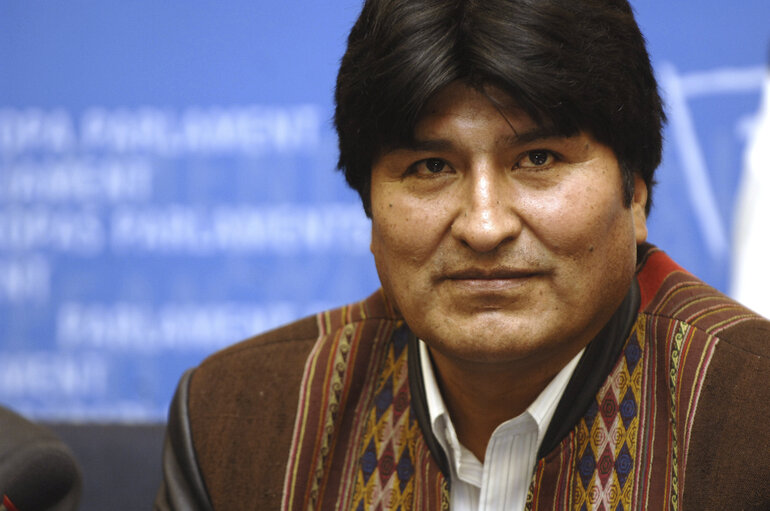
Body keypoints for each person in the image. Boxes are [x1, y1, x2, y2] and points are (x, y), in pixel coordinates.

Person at [155, 0, 770, 509]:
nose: (483, 225)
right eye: (430, 166)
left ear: (635, 193)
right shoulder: (237, 424)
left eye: (538, 160)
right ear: (369, 209)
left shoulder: (750, 413)